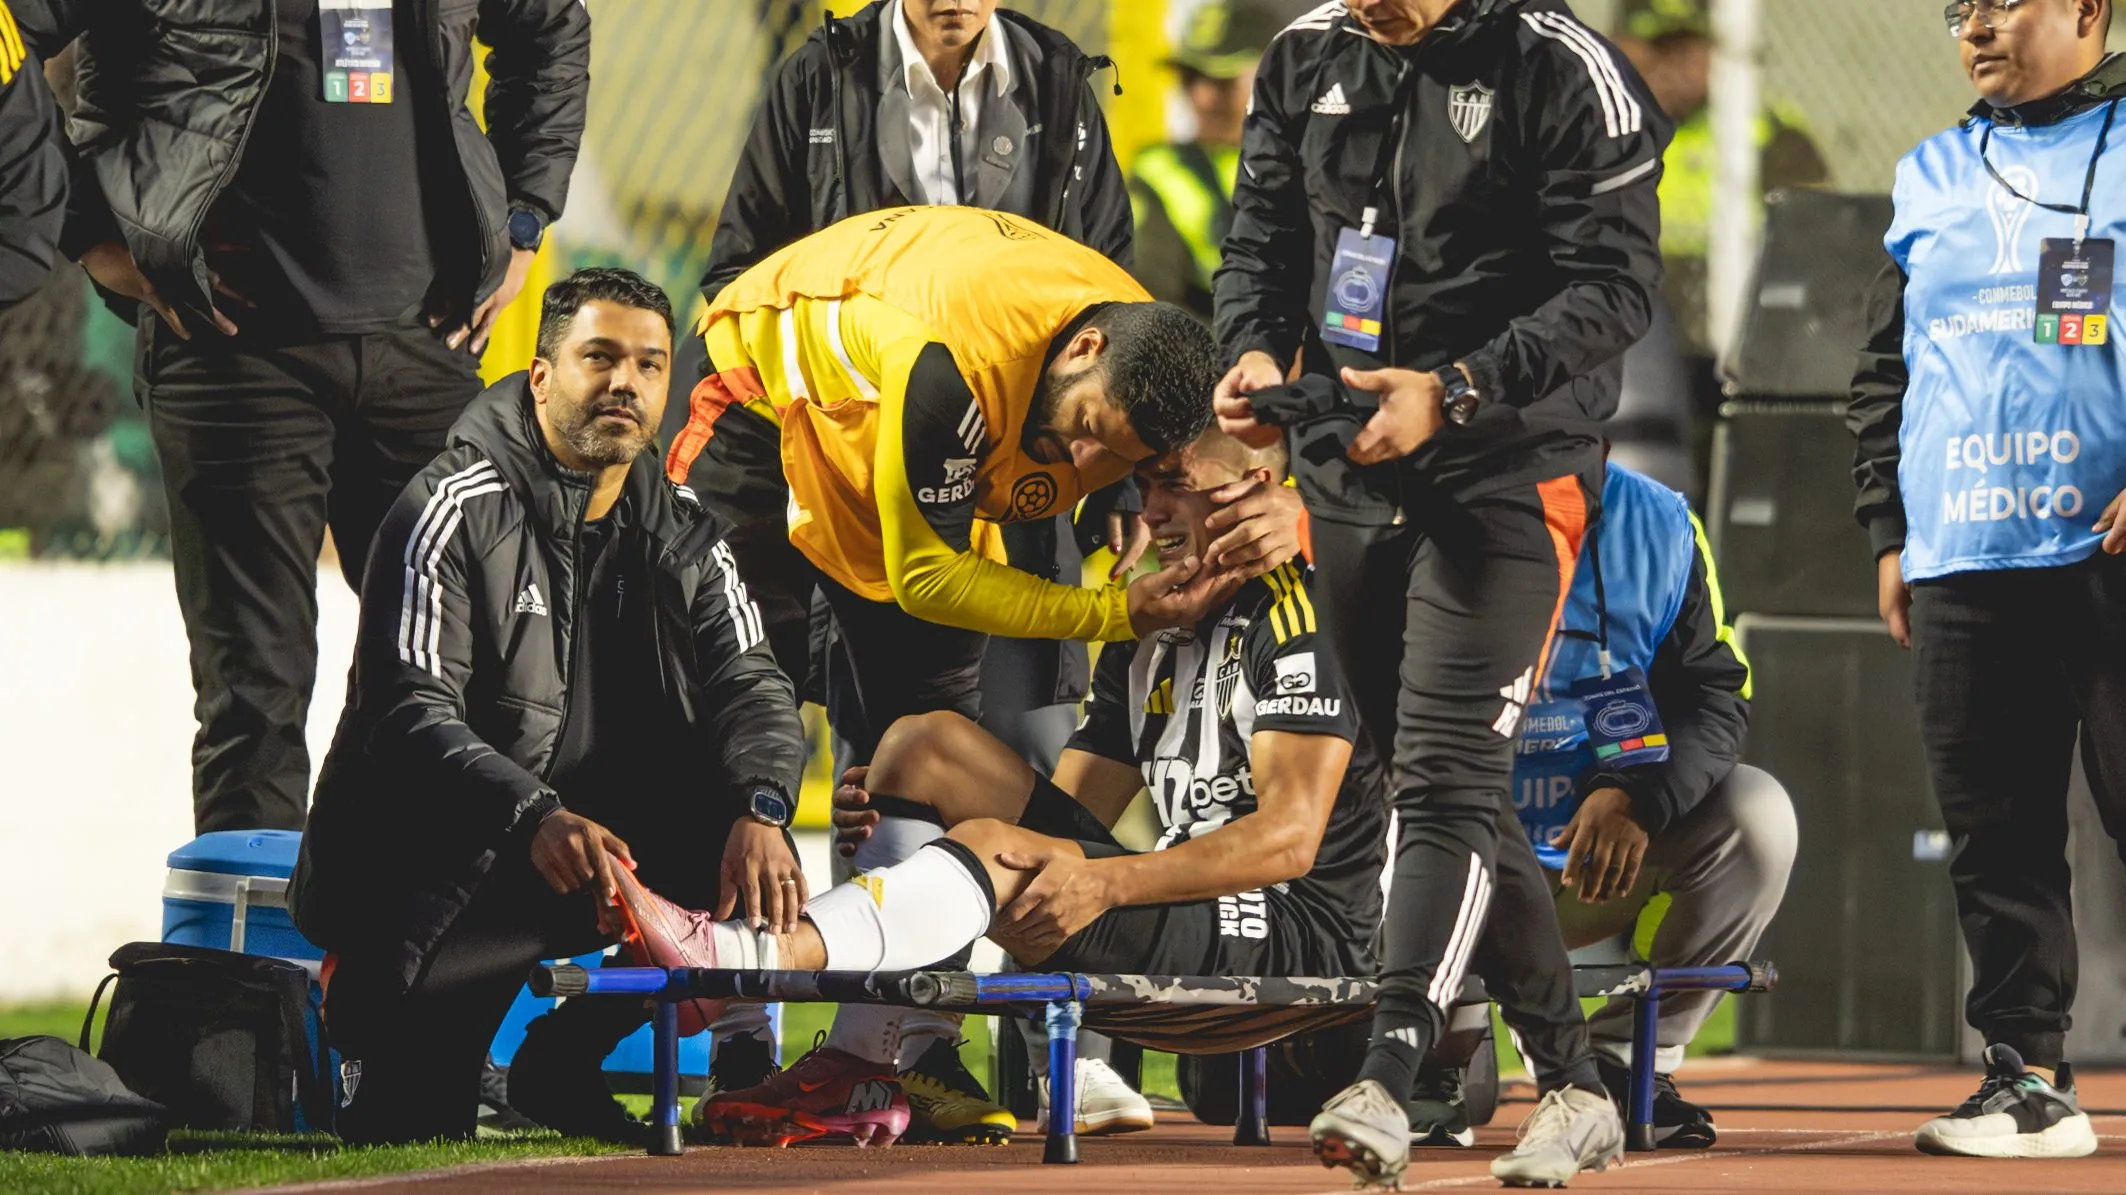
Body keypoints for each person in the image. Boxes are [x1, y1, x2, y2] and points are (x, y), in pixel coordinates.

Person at [1210, 0, 1671, 1186]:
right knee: (1437, 777)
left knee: (1445, 775)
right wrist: (1252, 350)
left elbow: (1614, 289)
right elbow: (1260, 238)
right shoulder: (1304, 56)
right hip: (1349, 475)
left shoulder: (1566, 70)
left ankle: (1387, 1069)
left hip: (1510, 476)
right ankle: (1573, 1084)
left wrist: (1455, 388)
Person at [625, 424, 1381, 1146]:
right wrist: (904, 812)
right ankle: (860, 1066)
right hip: (1187, 910)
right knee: (924, 745)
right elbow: (1077, 812)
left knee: (998, 850)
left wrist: (1103, 881)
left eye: (1177, 486)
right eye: (1145, 484)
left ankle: (746, 955)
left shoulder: (1307, 615)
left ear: (1256, 490)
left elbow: (1290, 841)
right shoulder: (1157, 620)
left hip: (1296, 934)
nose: (1151, 511)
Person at [696, 3, 1155, 1125]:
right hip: (808, 430)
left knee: (971, 738)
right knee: (775, 726)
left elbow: (1117, 306)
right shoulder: (821, 79)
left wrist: (1113, 487)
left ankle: (932, 1043)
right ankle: (737, 1026)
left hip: (989, 445)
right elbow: (736, 264)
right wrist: (1109, 613)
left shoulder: (1053, 83)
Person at [287, 269, 809, 1147]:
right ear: (540, 376)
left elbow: (752, 682)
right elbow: (408, 710)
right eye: (598, 357)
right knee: (407, 1130)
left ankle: (565, 1060)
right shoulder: (449, 507)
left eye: (648, 364)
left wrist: (761, 805)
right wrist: (533, 811)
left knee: (755, 852)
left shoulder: (686, 529)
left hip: (601, 851)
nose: (625, 383)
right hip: (440, 867)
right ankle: (371, 1023)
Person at [69, 0, 590, 835]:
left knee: (481, 675)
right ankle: (252, 963)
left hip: (428, 341)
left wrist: (525, 212)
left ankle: (435, 953)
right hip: (231, 354)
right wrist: (90, 231)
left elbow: (550, 26)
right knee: (255, 700)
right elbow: (30, 48)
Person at [1849, 0, 2123, 1161]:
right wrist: (1887, 532)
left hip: (2106, 555)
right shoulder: (1926, 172)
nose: (1972, 27)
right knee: (1994, 841)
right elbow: (1879, 370)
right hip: (1963, 555)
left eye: (2000, 2)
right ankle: (2024, 1080)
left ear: (2086, 10)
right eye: (1955, 8)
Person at [1489, 461, 1790, 1149]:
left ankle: (1629, 1060)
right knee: (1445, 1063)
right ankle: (1439, 1051)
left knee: (1759, 814)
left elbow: (1715, 696)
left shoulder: (1662, 520)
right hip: (1460, 853)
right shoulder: (1425, 499)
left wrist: (1633, 795)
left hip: (1594, 859)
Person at [1126, 0, 1278, 319]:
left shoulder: (1330, 167)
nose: (1201, 98)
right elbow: (1150, 308)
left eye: (1223, 81)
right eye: (1190, 77)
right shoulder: (1160, 173)